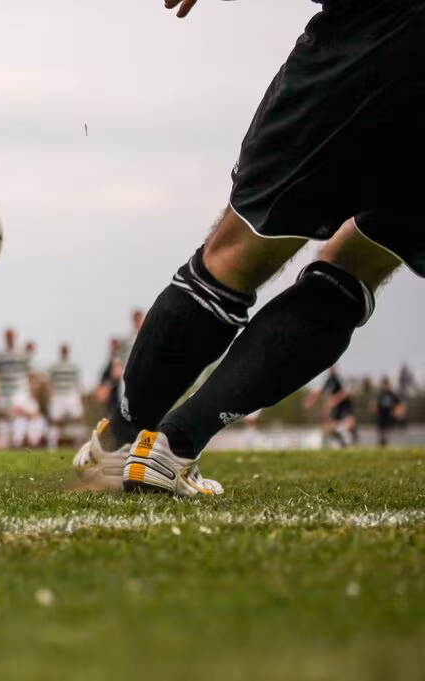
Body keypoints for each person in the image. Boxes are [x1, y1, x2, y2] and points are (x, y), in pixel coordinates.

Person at [75, 0, 424, 495]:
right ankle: (174, 446)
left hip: (372, 33)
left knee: (233, 256)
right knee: (358, 266)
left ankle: (120, 445)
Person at [0, 328, 32, 449]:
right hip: (4, 391)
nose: (10, 339)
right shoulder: (0, 356)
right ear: (5, 338)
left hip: (19, 390)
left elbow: (29, 372)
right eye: (8, 336)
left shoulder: (21, 354)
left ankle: (17, 442)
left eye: (11, 336)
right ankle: (5, 444)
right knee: (4, 416)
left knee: (18, 413)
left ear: (15, 337)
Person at [304, 366, 358, 448]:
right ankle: (342, 443)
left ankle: (351, 441)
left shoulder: (339, 379)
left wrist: (334, 401)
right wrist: (311, 400)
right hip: (336, 410)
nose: (331, 370)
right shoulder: (329, 380)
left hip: (344, 407)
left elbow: (347, 392)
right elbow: (320, 391)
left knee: (350, 423)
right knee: (329, 428)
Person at [46, 344, 85, 448]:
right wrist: (50, 396)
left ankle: (79, 445)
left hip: (71, 394)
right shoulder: (54, 367)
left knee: (77, 419)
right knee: (55, 421)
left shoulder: (73, 366)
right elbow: (50, 382)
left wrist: (79, 398)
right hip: (58, 395)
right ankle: (52, 447)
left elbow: (78, 383)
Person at [374, 376, 405, 447]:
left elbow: (400, 405)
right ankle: (382, 444)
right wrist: (376, 410)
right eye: (384, 385)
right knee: (381, 434)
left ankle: (387, 444)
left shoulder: (393, 395)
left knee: (388, 434)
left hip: (390, 417)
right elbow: (375, 406)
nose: (385, 386)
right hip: (381, 417)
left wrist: (397, 413)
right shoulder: (380, 395)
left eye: (387, 385)